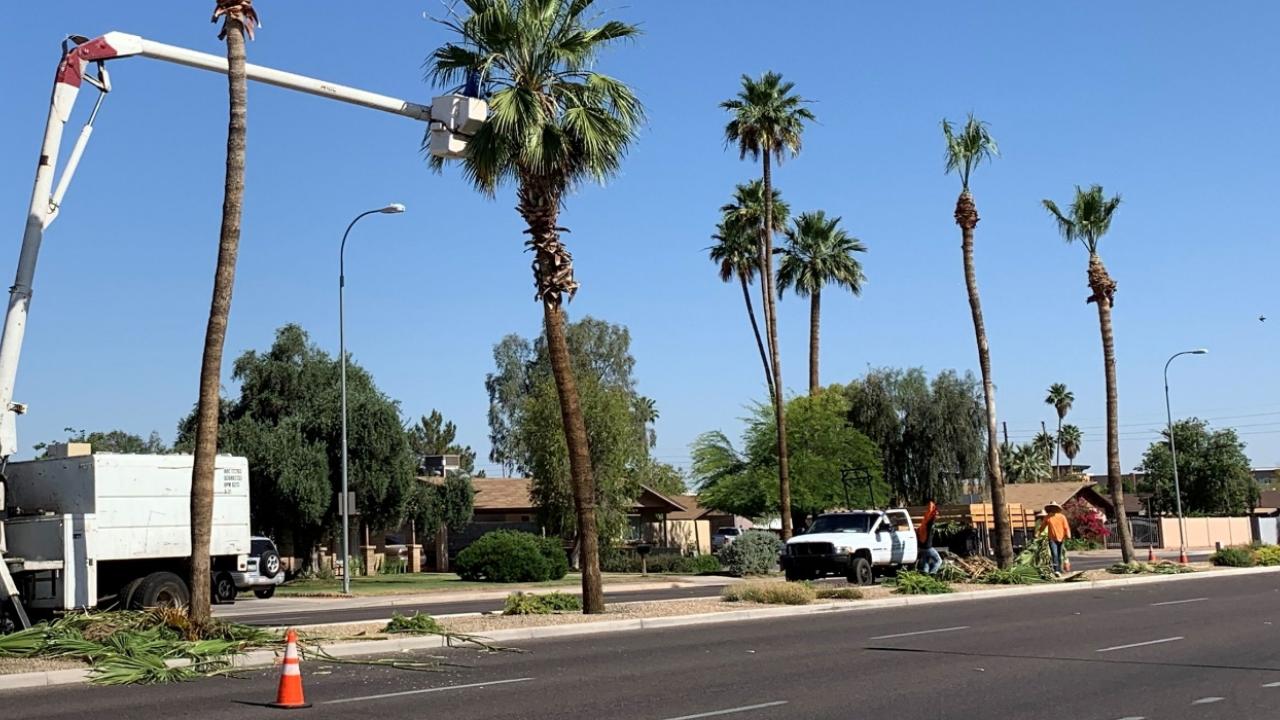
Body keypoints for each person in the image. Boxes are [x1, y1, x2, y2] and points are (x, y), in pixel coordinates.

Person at [1040, 502, 1071, 574]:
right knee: (1055, 554)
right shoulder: (1047, 517)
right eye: (1051, 508)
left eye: (1054, 507)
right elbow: (1042, 527)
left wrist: (1068, 535)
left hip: (1061, 537)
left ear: (1056, 509)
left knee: (1060, 554)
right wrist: (1038, 533)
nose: (1052, 509)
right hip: (1052, 538)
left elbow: (1066, 527)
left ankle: (1060, 569)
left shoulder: (1062, 517)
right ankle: (1056, 570)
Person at [916, 499, 942, 574]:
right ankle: (932, 573)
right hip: (928, 548)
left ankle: (926, 576)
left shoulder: (924, 524)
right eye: (936, 514)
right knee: (939, 561)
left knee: (926, 563)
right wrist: (934, 509)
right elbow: (930, 514)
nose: (937, 516)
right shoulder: (929, 523)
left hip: (922, 548)